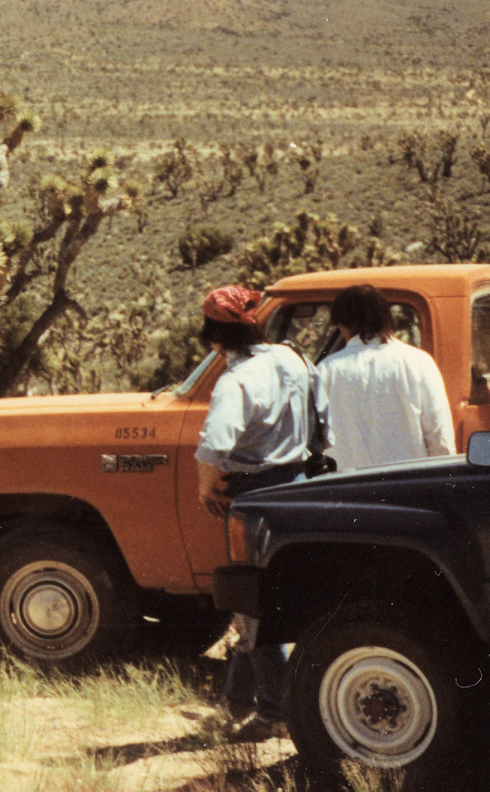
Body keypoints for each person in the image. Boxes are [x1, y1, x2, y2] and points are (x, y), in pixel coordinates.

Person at [194, 285, 329, 741]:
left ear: (214, 336)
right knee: (282, 599)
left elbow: (215, 444)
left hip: (253, 494)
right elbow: (321, 415)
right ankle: (239, 699)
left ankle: (276, 712)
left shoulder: (236, 380)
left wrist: (206, 488)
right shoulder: (294, 359)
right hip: (300, 486)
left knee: (254, 605)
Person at [317, 284, 454, 471]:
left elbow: (317, 441)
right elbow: (439, 434)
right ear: (386, 318)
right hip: (407, 483)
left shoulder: (326, 370)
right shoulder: (419, 362)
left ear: (342, 323)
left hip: (346, 488)